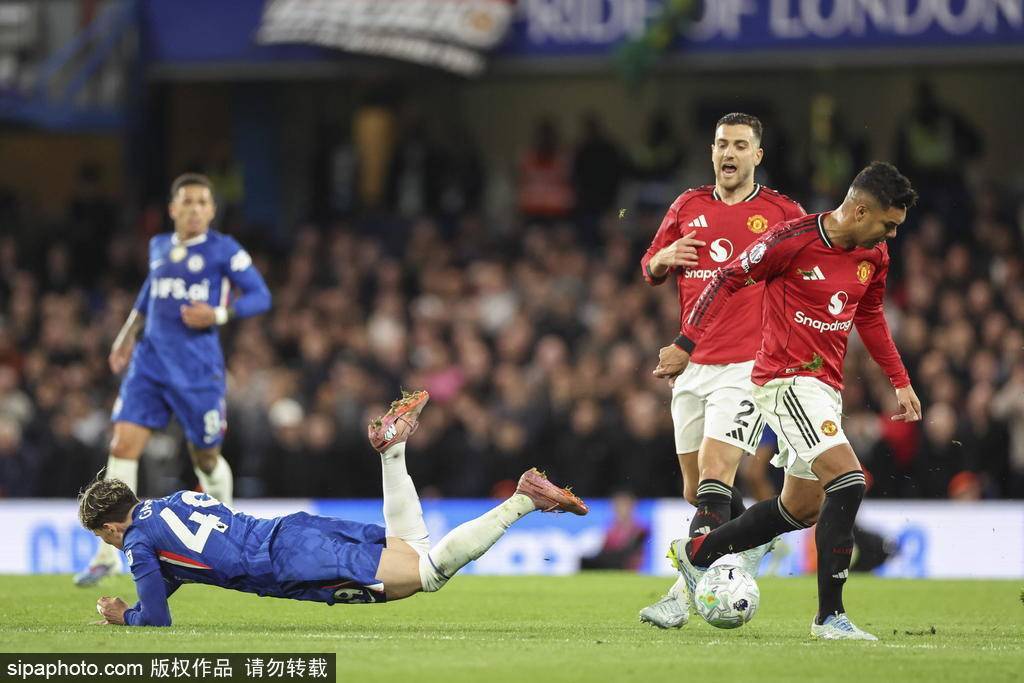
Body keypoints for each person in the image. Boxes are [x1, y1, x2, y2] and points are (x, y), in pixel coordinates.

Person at [666, 161, 922, 640]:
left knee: (800, 508)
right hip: (784, 380)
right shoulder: (791, 240)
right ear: (860, 210)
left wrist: (900, 380)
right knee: (848, 481)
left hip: (825, 387)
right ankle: (830, 617)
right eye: (887, 224)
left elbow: (870, 316)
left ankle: (698, 552)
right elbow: (726, 278)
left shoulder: (875, 255)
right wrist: (685, 344)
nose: (891, 235)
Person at [82, 391, 588, 626]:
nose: (109, 542)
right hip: (291, 532)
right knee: (410, 547)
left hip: (287, 564)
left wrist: (125, 615)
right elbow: (181, 566)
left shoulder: (138, 541)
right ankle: (392, 451)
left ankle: (523, 500)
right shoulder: (171, 501)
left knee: (425, 576)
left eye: (103, 535)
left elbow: (156, 618)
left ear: (109, 527)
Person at [638, 113, 805, 628]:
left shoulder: (782, 213)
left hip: (747, 367)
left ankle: (681, 595)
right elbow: (649, 267)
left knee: (716, 474)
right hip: (691, 366)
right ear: (712, 151)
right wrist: (665, 256)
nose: (728, 153)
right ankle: (751, 540)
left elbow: (811, 270)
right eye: (720, 144)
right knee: (697, 492)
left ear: (758, 155)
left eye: (739, 145)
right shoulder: (687, 206)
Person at [74, 173, 272, 587]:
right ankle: (108, 552)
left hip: (197, 372)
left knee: (206, 459)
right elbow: (150, 293)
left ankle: (228, 526)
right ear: (173, 208)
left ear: (212, 210)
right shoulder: (159, 245)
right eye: (187, 201)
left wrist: (218, 314)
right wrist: (127, 333)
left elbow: (260, 296)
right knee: (122, 445)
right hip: (150, 365)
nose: (195, 209)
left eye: (202, 202)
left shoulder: (224, 250)